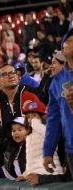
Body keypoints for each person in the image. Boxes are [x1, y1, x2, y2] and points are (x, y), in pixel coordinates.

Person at [0, 64, 41, 170]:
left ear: (18, 77)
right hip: (5, 156)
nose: (10, 76)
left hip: (32, 154)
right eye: (5, 74)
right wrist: (1, 164)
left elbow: (41, 129)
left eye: (12, 73)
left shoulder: (31, 96)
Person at [43, 29, 73, 180]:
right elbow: (53, 120)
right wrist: (48, 151)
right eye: (71, 41)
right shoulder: (56, 83)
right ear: (63, 50)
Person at [16, 100, 63, 185]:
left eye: (34, 115)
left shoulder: (48, 129)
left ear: (42, 117)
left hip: (51, 174)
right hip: (37, 175)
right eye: (29, 117)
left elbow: (52, 140)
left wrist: (36, 123)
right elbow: (31, 160)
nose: (31, 119)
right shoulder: (29, 136)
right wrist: (25, 174)